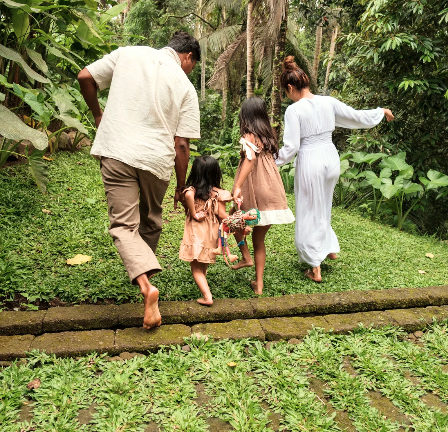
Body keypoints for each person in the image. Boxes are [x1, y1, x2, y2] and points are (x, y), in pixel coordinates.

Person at [77, 31, 201, 329]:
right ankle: (144, 278)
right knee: (151, 222)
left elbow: (85, 77)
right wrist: (181, 185)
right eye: (193, 66)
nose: (190, 70)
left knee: (124, 226)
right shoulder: (185, 86)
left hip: (117, 150)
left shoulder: (129, 53)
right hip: (156, 160)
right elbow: (182, 145)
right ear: (188, 57)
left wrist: (98, 115)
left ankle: (145, 285)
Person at [275, 56, 394, 283]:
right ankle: (329, 247)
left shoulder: (294, 110)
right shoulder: (328, 101)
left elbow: (291, 148)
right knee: (323, 205)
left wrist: (271, 162)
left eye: (285, 91)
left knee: (309, 210)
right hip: (330, 157)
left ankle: (314, 266)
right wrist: (380, 111)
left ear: (290, 87)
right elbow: (357, 116)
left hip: (311, 160)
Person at [231, 97, 295, 295]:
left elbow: (250, 160)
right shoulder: (268, 136)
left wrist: (237, 186)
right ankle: (259, 285)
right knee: (259, 240)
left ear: (245, 116)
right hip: (272, 189)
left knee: (232, 219)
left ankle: (245, 256)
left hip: (254, 188)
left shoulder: (249, 136)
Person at [179, 156, 233, 305]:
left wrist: (194, 213)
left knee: (196, 268)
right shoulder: (218, 193)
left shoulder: (192, 190)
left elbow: (188, 195)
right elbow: (222, 215)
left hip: (197, 231)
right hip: (212, 232)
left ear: (195, 172)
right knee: (203, 262)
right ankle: (203, 282)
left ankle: (207, 297)